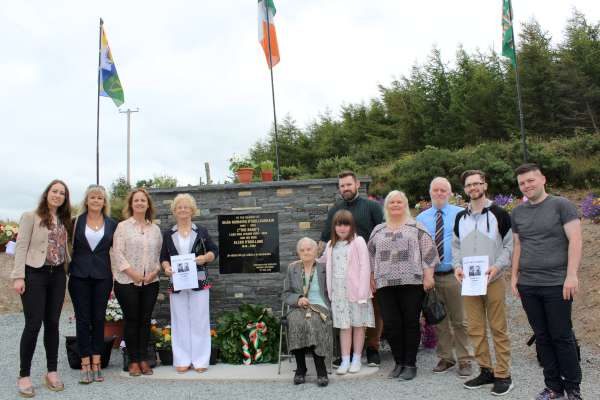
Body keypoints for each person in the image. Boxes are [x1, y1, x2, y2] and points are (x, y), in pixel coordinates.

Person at [511, 164, 583, 400]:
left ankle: (573, 388)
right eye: (522, 183)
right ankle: (553, 387)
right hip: (529, 284)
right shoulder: (518, 212)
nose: (527, 185)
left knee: (562, 336)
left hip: (557, 283)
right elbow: (519, 245)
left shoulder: (561, 205)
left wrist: (571, 275)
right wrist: (514, 277)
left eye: (531, 180)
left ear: (543, 179)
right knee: (542, 337)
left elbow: (575, 240)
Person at [452, 170, 514, 396]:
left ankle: (503, 374)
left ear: (485, 185)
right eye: (468, 185)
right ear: (465, 189)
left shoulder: (499, 214)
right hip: (469, 282)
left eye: (477, 183)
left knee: (498, 328)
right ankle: (486, 370)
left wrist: (497, 267)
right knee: (476, 329)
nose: (473, 188)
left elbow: (509, 245)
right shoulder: (461, 217)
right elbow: (456, 246)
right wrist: (457, 267)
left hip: (493, 279)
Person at [11, 179, 73, 397]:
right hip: (34, 274)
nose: (58, 195)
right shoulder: (31, 216)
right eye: (54, 191)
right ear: (47, 193)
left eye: (62, 193)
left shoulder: (65, 220)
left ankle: (52, 372)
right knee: (33, 324)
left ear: (65, 198)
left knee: (53, 324)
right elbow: (21, 246)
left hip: (57, 275)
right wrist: (19, 276)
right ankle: (24, 375)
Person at [368, 190, 437, 381]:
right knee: (391, 325)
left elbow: (429, 253)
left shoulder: (416, 227)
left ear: (405, 204)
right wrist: (371, 277)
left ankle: (410, 364)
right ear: (387, 206)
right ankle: (398, 362)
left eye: (399, 202)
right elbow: (370, 256)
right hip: (384, 284)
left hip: (412, 282)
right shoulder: (378, 230)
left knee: (410, 323)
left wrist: (428, 276)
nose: (396, 205)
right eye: (392, 202)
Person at [320, 170, 384, 367]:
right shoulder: (334, 211)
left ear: (357, 184)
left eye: (348, 184)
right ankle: (346, 354)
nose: (345, 188)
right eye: (342, 186)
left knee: (372, 309)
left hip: (369, 266)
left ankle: (372, 348)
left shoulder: (372, 206)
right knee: (346, 313)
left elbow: (381, 236)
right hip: (343, 273)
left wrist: (374, 271)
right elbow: (324, 239)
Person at [416, 177, 472, 378]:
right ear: (430, 192)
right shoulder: (421, 218)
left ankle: (465, 359)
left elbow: (469, 242)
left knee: (460, 320)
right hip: (431, 276)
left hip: (454, 275)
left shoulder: (461, 214)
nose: (439, 193)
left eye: (443, 190)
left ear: (449, 193)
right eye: (436, 190)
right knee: (438, 319)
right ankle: (446, 357)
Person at [160, 194, 218, 373]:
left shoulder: (201, 231)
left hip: (199, 280)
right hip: (177, 282)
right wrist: (166, 268)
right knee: (180, 321)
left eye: (186, 207)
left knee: (200, 320)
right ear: (174, 211)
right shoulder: (168, 234)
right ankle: (182, 359)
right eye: (179, 207)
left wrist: (205, 258)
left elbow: (214, 251)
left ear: (192, 210)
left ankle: (200, 361)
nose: (183, 210)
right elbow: (163, 258)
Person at [110, 188, 162, 377]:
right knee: (132, 320)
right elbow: (117, 253)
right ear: (131, 204)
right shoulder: (123, 227)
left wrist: (154, 272)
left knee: (145, 320)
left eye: (143, 200)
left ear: (148, 204)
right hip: (126, 282)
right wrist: (133, 274)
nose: (140, 203)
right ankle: (132, 360)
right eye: (136, 200)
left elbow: (159, 255)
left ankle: (143, 359)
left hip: (151, 282)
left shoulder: (155, 229)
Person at [68, 185, 117, 384]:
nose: (96, 200)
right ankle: (85, 363)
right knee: (83, 319)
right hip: (79, 276)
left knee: (98, 319)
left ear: (104, 202)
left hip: (102, 277)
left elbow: (120, 248)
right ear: (86, 200)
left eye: (100, 198)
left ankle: (97, 361)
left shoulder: (112, 224)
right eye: (92, 197)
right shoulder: (74, 222)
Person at [323, 210, 375, 375]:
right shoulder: (331, 245)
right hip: (338, 294)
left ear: (352, 226)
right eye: (339, 224)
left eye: (346, 224)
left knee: (358, 326)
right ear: (334, 227)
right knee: (344, 327)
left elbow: (365, 266)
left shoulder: (358, 241)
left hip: (357, 292)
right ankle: (345, 359)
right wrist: (304, 259)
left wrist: (362, 293)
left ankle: (357, 358)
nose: (342, 228)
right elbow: (322, 261)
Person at [282, 237, 333, 387]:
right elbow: (285, 294)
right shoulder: (293, 268)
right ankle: (301, 369)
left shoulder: (324, 267)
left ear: (316, 250)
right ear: (298, 253)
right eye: (302, 250)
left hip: (320, 306)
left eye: (309, 249)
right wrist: (298, 299)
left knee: (314, 322)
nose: (306, 252)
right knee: (296, 322)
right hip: (299, 307)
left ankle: (321, 369)